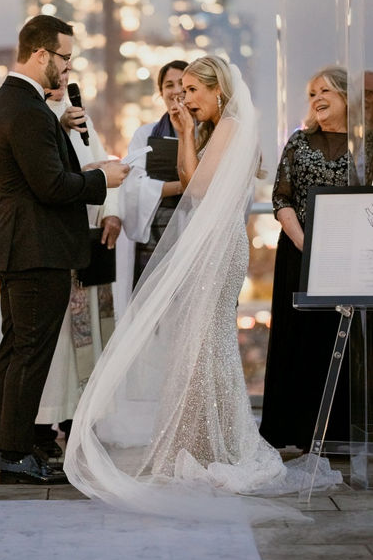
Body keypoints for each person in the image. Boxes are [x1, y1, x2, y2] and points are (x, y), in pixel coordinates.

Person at [64, 56, 341, 524]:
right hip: (208, 243)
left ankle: (220, 444)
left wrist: (189, 134)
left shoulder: (231, 127)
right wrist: (188, 131)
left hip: (220, 249)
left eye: (192, 90)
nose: (184, 99)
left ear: (218, 91)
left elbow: (196, 192)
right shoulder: (212, 129)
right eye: (182, 91)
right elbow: (192, 181)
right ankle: (203, 440)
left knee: (206, 341)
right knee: (198, 344)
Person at [0, 14, 129, 485]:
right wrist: (102, 179)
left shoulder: (23, 103)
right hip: (35, 247)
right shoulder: (26, 108)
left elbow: (38, 166)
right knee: (30, 351)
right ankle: (13, 451)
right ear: (42, 54)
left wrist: (60, 125)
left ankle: (5, 446)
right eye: (65, 57)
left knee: (17, 349)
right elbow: (49, 185)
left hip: (22, 244)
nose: (68, 68)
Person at [260, 66, 350, 452]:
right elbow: (281, 199)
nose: (317, 98)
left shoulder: (367, 143)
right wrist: (307, 245)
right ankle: (295, 431)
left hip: (351, 258)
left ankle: (343, 433)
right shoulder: (298, 142)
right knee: (300, 338)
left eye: (325, 90)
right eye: (312, 93)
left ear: (346, 97)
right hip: (300, 255)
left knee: (343, 340)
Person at [119, 60, 188, 301]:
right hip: (155, 228)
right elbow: (133, 185)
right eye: (169, 85)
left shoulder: (207, 132)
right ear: (161, 93)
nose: (176, 90)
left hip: (192, 228)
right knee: (151, 305)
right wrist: (183, 186)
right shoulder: (145, 134)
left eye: (183, 84)